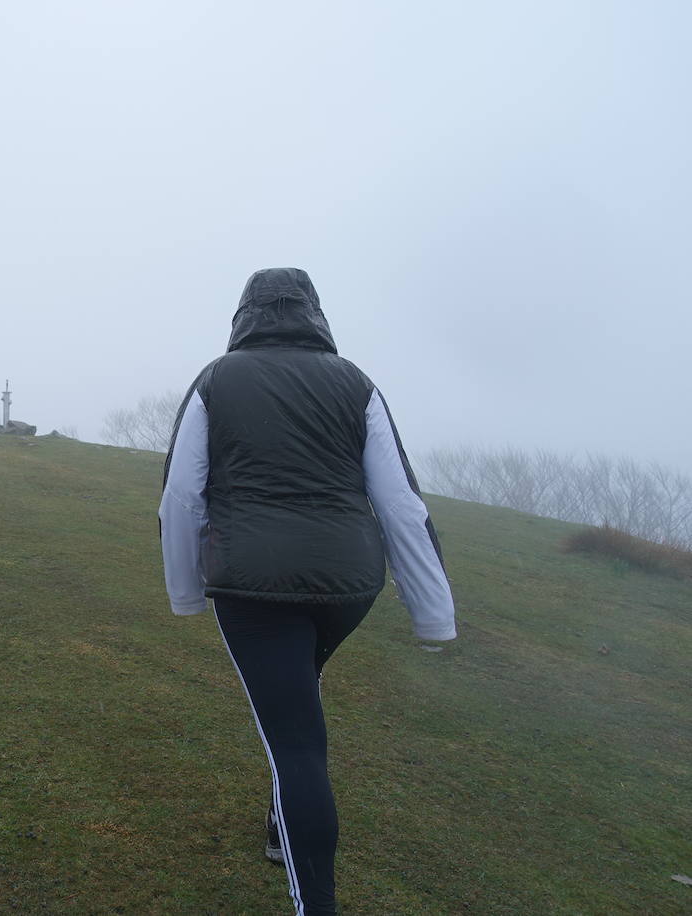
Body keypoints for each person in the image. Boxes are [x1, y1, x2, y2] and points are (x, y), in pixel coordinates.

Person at [158, 267, 456, 916]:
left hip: (253, 589)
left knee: (295, 743)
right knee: (297, 702)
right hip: (348, 589)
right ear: (315, 313)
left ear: (243, 315)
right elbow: (401, 504)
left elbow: (181, 496)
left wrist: (184, 592)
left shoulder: (217, 379)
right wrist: (432, 615)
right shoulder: (357, 383)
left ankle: (313, 902)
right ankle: (276, 828)